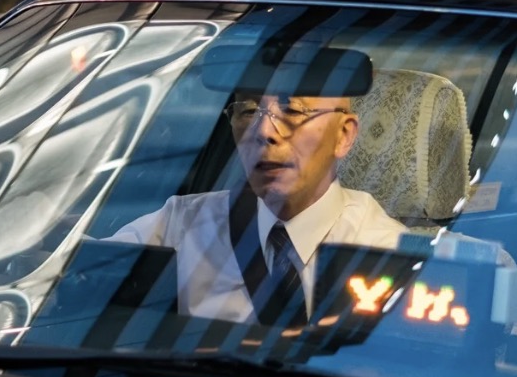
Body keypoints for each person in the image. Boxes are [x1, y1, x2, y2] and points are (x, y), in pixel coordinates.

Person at [107, 89, 407, 325]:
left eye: (291, 109)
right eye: (248, 110)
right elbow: (74, 278)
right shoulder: (180, 225)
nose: (264, 130)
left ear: (343, 136)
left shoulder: (393, 254)